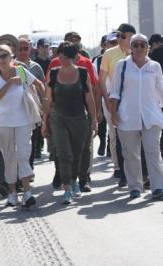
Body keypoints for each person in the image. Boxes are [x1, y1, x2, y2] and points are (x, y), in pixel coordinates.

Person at [0, 44, 45, 207]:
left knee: (23, 154)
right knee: (9, 157)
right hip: (2, 122)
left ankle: (27, 192)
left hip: (23, 120)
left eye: (4, 56)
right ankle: (12, 193)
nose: (0, 60)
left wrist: (44, 99)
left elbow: (39, 84)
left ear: (11, 57)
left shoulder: (21, 71)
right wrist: (10, 82)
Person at [42, 41, 97, 204]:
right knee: (64, 154)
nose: (62, 59)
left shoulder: (82, 73)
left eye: (66, 57)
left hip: (79, 119)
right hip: (58, 119)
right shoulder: (52, 74)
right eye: (60, 56)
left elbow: (89, 97)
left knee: (77, 152)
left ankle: (74, 181)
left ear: (74, 57)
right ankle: (67, 189)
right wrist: (45, 121)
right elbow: (48, 100)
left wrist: (94, 120)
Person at [109, 34, 163, 200]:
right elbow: (115, 92)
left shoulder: (155, 66)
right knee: (131, 154)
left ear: (148, 47)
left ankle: (158, 186)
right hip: (127, 116)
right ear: (131, 48)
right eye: (136, 45)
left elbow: (161, 90)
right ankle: (135, 186)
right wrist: (114, 113)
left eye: (142, 45)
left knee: (153, 152)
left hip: (151, 116)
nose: (139, 48)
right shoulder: (122, 66)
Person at [99, 23, 137, 187]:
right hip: (115, 100)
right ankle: (121, 171)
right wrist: (107, 103)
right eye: (119, 36)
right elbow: (101, 80)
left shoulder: (140, 51)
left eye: (124, 36)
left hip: (135, 101)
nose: (120, 39)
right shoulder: (109, 54)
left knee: (136, 138)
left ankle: (138, 172)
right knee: (117, 137)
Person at [16, 38, 46, 164]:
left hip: (33, 108)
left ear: (30, 49)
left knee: (32, 139)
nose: (23, 51)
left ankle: (29, 168)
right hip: (16, 110)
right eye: (20, 48)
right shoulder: (11, 66)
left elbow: (42, 86)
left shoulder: (36, 67)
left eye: (25, 48)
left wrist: (45, 105)